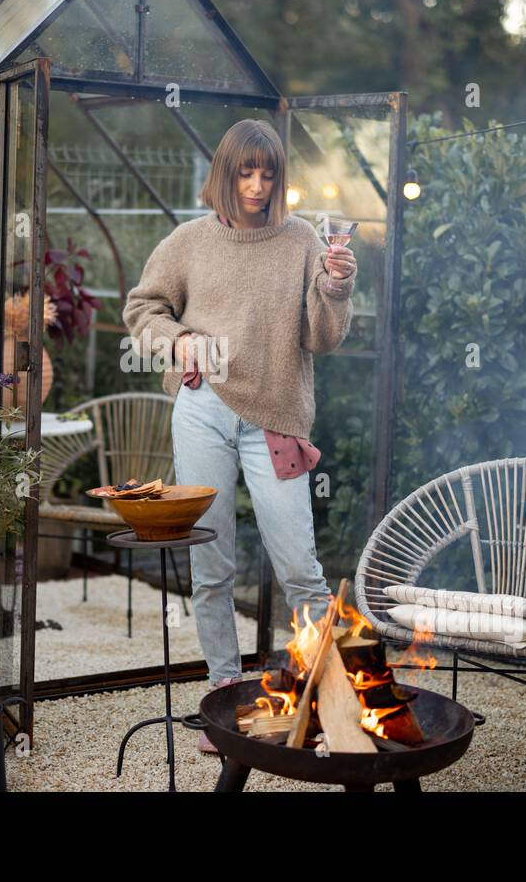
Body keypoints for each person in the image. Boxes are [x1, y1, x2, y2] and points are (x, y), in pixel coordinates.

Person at [122, 119, 358, 751]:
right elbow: (141, 309)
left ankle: (328, 705)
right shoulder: (188, 242)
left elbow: (323, 336)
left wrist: (335, 284)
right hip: (201, 409)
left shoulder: (302, 238)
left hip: (275, 420)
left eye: (268, 173)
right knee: (211, 566)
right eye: (245, 172)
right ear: (225, 174)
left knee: (300, 569)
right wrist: (178, 341)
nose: (257, 185)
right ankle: (225, 698)